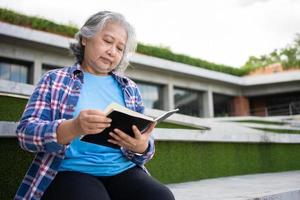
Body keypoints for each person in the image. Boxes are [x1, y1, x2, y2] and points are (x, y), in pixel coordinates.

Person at [15, 11, 175, 200]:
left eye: (120, 48)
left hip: (122, 169)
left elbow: (145, 150)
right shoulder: (54, 79)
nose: (112, 52)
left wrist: (141, 146)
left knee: (162, 196)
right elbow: (25, 134)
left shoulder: (130, 88)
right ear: (85, 38)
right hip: (70, 171)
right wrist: (73, 127)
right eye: (107, 41)